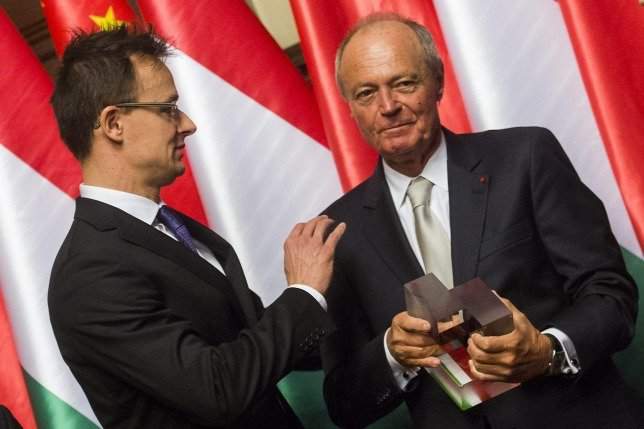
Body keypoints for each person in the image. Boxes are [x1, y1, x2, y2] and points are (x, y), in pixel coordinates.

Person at [320, 13, 641, 429]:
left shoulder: (525, 157)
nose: (388, 106)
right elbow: (345, 404)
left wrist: (547, 351)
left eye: (404, 83)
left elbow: (611, 293)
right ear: (349, 107)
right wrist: (392, 354)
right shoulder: (339, 232)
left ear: (438, 82)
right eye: (366, 93)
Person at [47, 26, 345, 428]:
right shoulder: (90, 273)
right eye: (168, 109)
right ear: (114, 123)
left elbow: (258, 344)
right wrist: (304, 291)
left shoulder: (172, 229)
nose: (188, 124)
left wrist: (389, 344)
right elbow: (218, 389)